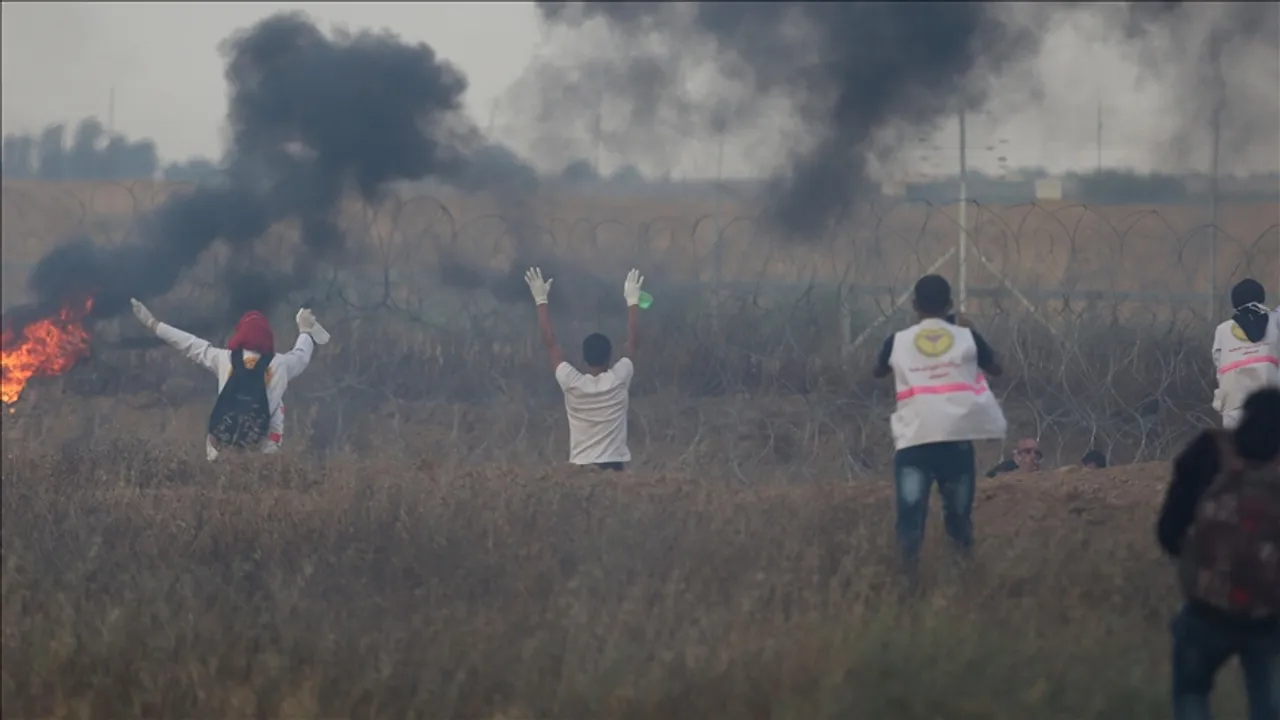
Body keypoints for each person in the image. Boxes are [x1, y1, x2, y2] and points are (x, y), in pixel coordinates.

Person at [873, 274, 1008, 586]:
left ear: (914, 305)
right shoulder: (967, 338)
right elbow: (997, 367)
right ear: (949, 304)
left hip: (914, 443)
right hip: (954, 442)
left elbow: (877, 369)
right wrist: (966, 334)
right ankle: (963, 582)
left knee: (910, 519)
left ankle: (907, 586)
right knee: (958, 519)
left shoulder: (898, 341)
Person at [1157, 387, 1280, 720]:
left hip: (1205, 610)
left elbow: (1168, 529)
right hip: (1268, 617)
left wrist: (1200, 569)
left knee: (1192, 693)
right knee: (1269, 706)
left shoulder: (1209, 450)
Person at [130, 299, 329, 461]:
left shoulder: (224, 359)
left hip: (223, 442)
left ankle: (214, 463)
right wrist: (304, 330)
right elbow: (301, 355)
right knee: (278, 409)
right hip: (261, 446)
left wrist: (153, 324)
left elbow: (188, 343)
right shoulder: (280, 364)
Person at [524, 267, 642, 471]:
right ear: (610, 357)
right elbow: (632, 342)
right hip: (613, 466)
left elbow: (550, 343)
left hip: (581, 468)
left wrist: (540, 300)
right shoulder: (619, 379)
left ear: (584, 359)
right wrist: (633, 301)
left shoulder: (573, 383)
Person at [1212, 279, 1279, 429]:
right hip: (1270, 401)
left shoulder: (1222, 330)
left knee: (1237, 450)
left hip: (1233, 402)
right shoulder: (1275, 323)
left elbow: (1218, 363)